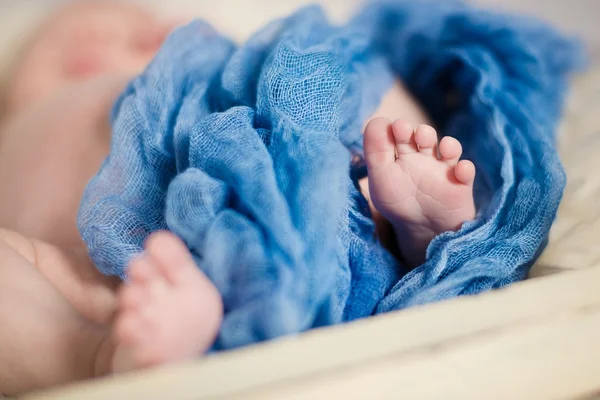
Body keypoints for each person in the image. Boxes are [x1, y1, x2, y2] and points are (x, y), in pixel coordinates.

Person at [0, 0, 475, 395]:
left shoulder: (174, 69)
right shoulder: (17, 128)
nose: (106, 36)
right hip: (114, 282)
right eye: (78, 37)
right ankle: (98, 353)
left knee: (329, 65)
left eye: (137, 26)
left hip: (265, 156)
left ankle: (403, 219)